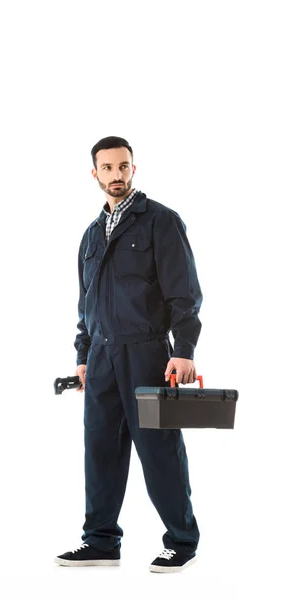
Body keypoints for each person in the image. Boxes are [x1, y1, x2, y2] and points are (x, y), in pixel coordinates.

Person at [54, 136, 203, 573]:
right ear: (95, 173)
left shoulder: (160, 221)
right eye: (107, 168)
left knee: (158, 449)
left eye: (123, 167)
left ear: (133, 169)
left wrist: (185, 349)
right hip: (100, 358)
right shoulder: (89, 236)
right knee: (99, 450)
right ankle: (100, 540)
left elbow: (185, 294)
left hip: (147, 354)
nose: (116, 175)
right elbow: (86, 305)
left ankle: (182, 541)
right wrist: (83, 356)